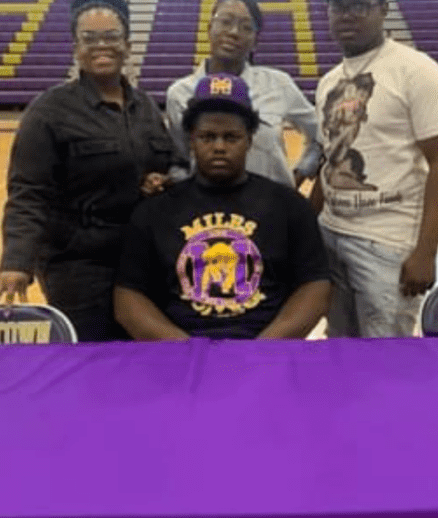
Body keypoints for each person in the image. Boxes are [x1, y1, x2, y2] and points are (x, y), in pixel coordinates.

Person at [0, 0, 185, 341]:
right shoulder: (49, 112)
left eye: (111, 37)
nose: (101, 45)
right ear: (76, 49)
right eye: (89, 38)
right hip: (78, 266)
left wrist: (162, 180)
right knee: (93, 355)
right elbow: (28, 193)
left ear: (127, 45)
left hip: (139, 259)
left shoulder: (146, 108)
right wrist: (16, 262)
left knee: (143, 354)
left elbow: (171, 164)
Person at [114, 74, 331, 340]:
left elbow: (315, 286)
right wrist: (185, 348)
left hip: (267, 347)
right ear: (191, 140)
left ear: (249, 140)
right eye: (207, 137)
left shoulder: (289, 206)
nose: (219, 147)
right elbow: (128, 298)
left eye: (231, 137)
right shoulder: (154, 211)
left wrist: (265, 347)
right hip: (180, 349)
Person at [314, 0, 438, 338]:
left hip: (387, 244)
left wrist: (426, 252)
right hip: (332, 235)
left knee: (386, 354)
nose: (348, 15)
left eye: (360, 5)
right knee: (340, 346)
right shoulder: (328, 83)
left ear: (383, 8)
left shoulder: (417, 70)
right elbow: (329, 161)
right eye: (338, 6)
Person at [166, 0, 320, 187]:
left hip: (269, 203)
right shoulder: (179, 93)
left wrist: (299, 174)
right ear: (209, 29)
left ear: (255, 41)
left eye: (246, 27)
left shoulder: (278, 83)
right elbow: (180, 162)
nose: (233, 32)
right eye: (225, 22)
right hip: (210, 204)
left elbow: (321, 134)